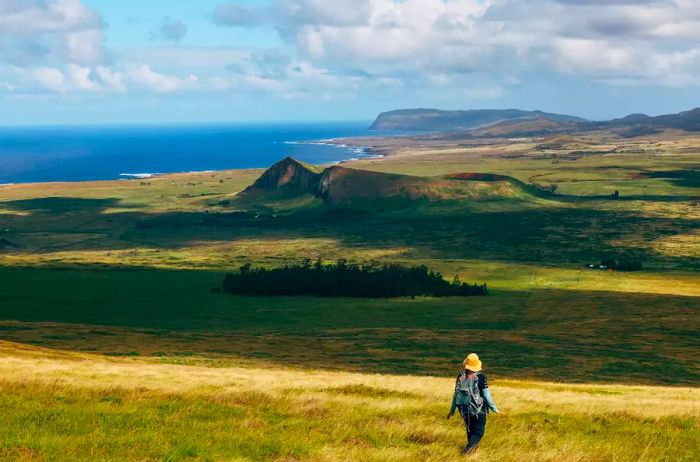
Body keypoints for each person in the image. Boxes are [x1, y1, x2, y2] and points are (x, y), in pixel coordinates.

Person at [447, 353, 500, 454]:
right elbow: (486, 396)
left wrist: (452, 410)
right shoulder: (480, 377)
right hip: (478, 410)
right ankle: (466, 451)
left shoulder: (460, 376)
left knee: (470, 430)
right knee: (478, 432)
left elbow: (455, 394)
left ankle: (471, 453)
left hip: (463, 409)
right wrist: (494, 409)